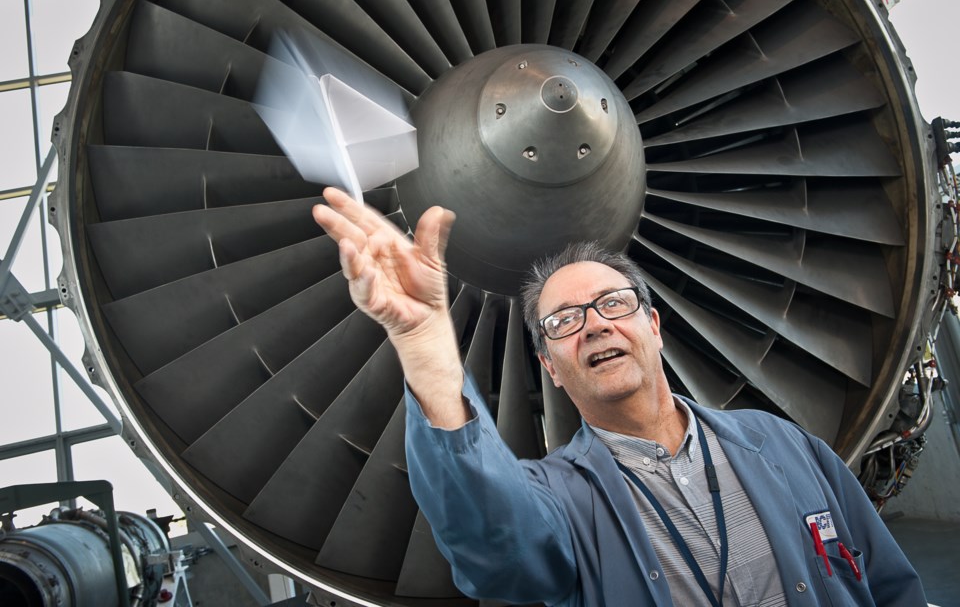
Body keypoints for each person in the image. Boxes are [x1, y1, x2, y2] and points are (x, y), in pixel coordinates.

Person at [312, 186, 926, 606]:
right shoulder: (557, 501)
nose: (596, 324)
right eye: (564, 321)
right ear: (551, 368)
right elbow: (496, 545)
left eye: (613, 304)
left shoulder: (784, 445)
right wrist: (424, 342)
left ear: (653, 328)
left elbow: (887, 582)